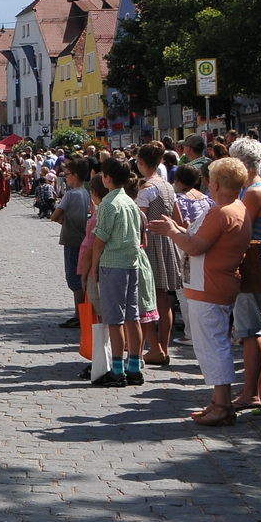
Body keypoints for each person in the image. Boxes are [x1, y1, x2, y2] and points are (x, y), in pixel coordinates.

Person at [150, 156, 253, 425]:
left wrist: (172, 231)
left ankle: (222, 404)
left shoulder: (223, 212)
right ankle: (218, 401)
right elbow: (199, 239)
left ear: (216, 184)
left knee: (213, 346)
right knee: (211, 344)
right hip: (210, 284)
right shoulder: (235, 207)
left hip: (209, 286)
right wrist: (179, 231)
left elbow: (195, 246)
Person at [88, 158, 150, 388]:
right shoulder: (130, 202)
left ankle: (117, 370)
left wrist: (94, 266)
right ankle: (134, 367)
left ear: (108, 178)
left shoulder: (108, 204)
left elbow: (99, 240)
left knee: (115, 319)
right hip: (131, 263)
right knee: (132, 317)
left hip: (113, 264)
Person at [229, 138, 261, 408]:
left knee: (251, 332)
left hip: (253, 268)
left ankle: (252, 392)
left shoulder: (253, 192)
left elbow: (239, 230)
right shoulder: (258, 187)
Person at [133, 143, 184, 366]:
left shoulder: (147, 188)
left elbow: (140, 220)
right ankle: (163, 345)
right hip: (166, 240)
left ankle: (156, 348)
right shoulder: (168, 186)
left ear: (141, 162)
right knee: (165, 299)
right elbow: (178, 218)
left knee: (146, 297)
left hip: (151, 241)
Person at [53, 157, 92, 329]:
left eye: (67, 175)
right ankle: (82, 312)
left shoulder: (70, 194)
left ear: (75, 176)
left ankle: (79, 314)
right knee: (81, 276)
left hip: (71, 239)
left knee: (73, 278)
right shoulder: (85, 193)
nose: (65, 177)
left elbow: (54, 215)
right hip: (83, 238)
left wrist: (62, 218)